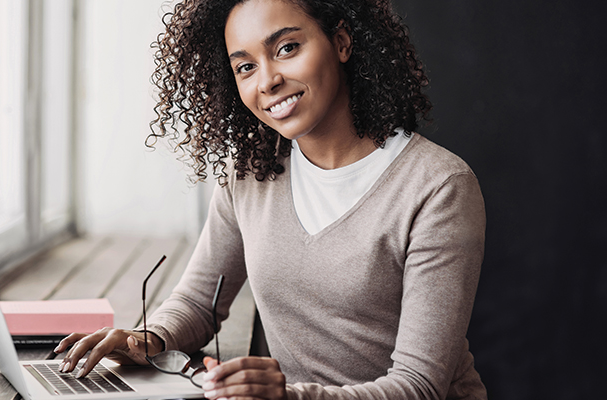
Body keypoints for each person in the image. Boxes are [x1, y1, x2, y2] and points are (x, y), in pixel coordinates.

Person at [54, 0, 487, 398]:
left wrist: (288, 397)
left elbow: (419, 386)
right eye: (245, 68)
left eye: (286, 48)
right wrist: (143, 340)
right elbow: (198, 303)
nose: (268, 80)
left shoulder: (438, 186)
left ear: (341, 42)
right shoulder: (251, 175)